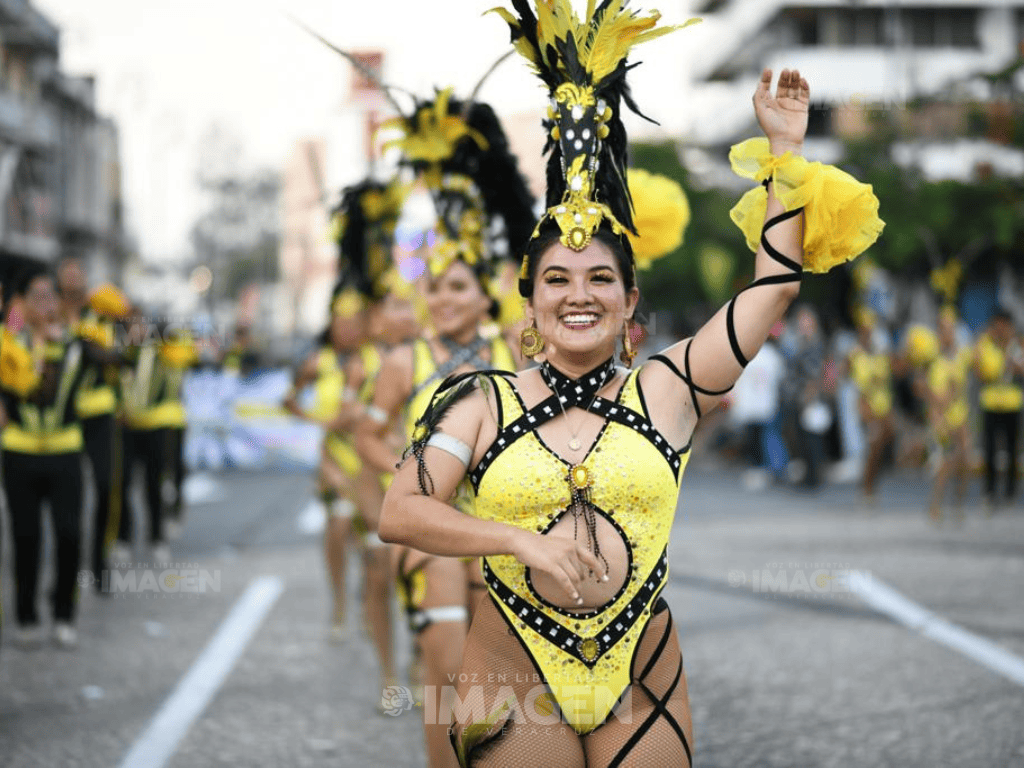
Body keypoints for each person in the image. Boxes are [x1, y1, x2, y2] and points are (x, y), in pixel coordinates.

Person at [380, 4, 882, 766]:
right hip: (512, 669)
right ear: (531, 299)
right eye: (557, 278)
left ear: (628, 300)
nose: (578, 295)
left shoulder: (670, 386)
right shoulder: (480, 400)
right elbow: (400, 510)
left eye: (599, 279)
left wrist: (783, 153)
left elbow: (774, 289)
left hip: (641, 672)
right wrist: (517, 541)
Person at [0, 265, 121, 648]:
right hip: (20, 452)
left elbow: (116, 360)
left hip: (65, 452)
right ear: (21, 304)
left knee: (69, 534)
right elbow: (33, 393)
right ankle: (26, 614)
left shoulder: (76, 344)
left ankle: (64, 614)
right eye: (37, 297)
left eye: (50, 297)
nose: (45, 304)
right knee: (25, 537)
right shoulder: (8, 345)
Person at [282, 282, 369, 642]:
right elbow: (288, 400)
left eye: (353, 321)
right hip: (334, 458)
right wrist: (318, 421)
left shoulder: (377, 360)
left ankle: (369, 596)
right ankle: (339, 602)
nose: (346, 329)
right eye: (340, 322)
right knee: (337, 526)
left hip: (371, 462)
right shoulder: (320, 362)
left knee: (370, 541)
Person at [974, 308, 1023, 513]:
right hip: (991, 402)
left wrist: (1012, 360)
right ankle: (990, 492)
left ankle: (1011, 492)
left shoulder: (1017, 345)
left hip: (1012, 403)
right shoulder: (985, 344)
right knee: (990, 449)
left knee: (1012, 449)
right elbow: (980, 372)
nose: (1001, 329)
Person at [847, 307, 894, 507]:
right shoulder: (855, 354)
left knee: (881, 447)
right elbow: (857, 384)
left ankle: (871, 484)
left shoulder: (879, 353)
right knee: (873, 447)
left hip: (883, 405)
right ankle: (866, 487)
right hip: (867, 406)